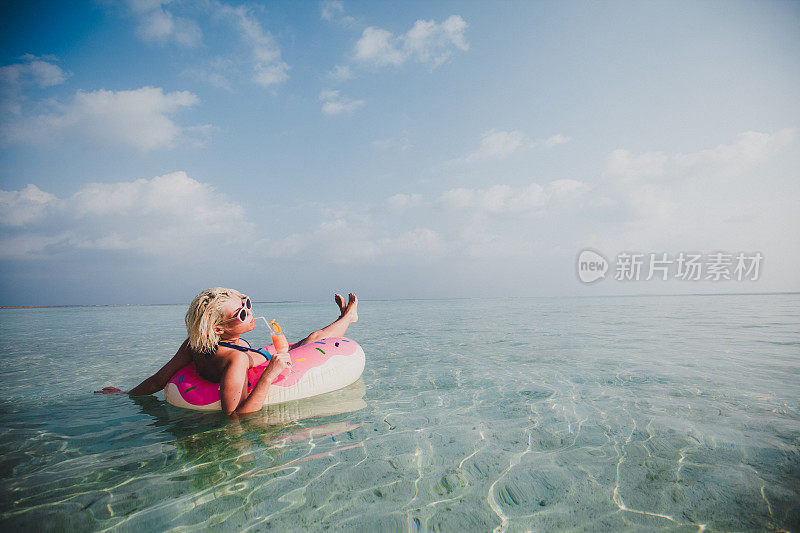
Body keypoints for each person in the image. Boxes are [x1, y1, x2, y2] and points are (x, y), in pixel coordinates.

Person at [96, 288, 359, 416]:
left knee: (312, 338)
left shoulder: (194, 344)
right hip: (261, 363)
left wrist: (125, 393)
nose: (250, 312)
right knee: (313, 339)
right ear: (219, 329)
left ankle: (345, 317)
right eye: (242, 313)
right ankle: (348, 317)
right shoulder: (234, 359)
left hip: (254, 356)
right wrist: (270, 374)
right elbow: (236, 414)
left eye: (247, 303)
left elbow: (157, 380)